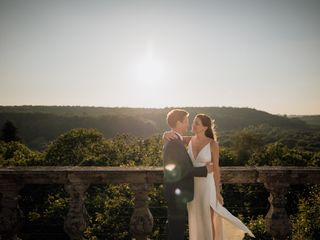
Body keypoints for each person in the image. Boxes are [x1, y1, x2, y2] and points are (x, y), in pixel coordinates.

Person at [164, 113, 255, 240]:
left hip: (207, 185)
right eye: (193, 122)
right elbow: (175, 138)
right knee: (196, 218)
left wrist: (218, 192)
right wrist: (165, 134)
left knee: (210, 218)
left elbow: (216, 169)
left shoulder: (213, 144)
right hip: (192, 186)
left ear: (205, 127)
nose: (192, 125)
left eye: (197, 123)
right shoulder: (189, 140)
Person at [163, 109, 214, 240]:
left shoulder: (175, 140)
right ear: (179, 122)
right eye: (186, 121)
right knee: (177, 232)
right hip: (176, 194)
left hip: (175, 193)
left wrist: (164, 134)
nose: (187, 125)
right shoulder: (174, 143)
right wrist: (205, 170)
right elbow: (181, 171)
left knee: (174, 229)